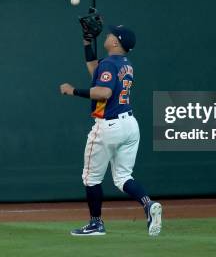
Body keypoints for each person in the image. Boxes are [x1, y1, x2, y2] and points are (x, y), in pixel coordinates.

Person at [59, 24, 162, 237]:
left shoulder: (109, 64)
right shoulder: (124, 63)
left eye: (111, 34)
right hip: (130, 125)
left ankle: (95, 224)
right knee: (123, 177)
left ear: (116, 42)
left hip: (109, 126)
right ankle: (148, 204)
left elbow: (104, 91)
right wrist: (87, 43)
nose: (107, 35)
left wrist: (73, 91)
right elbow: (96, 71)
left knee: (91, 178)